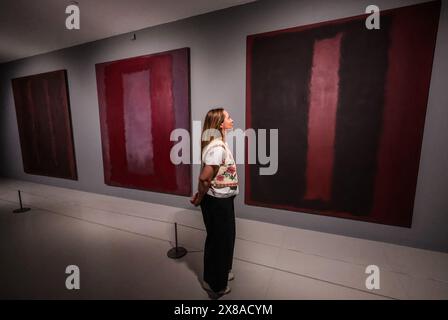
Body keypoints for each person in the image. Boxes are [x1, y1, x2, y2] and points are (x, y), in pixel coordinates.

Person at [190, 107, 238, 299]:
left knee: (226, 239)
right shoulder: (217, 148)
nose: (232, 119)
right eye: (229, 117)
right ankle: (214, 282)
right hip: (216, 203)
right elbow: (204, 178)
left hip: (223, 201)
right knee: (219, 242)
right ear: (220, 124)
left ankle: (223, 271)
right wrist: (200, 197)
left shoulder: (220, 143)